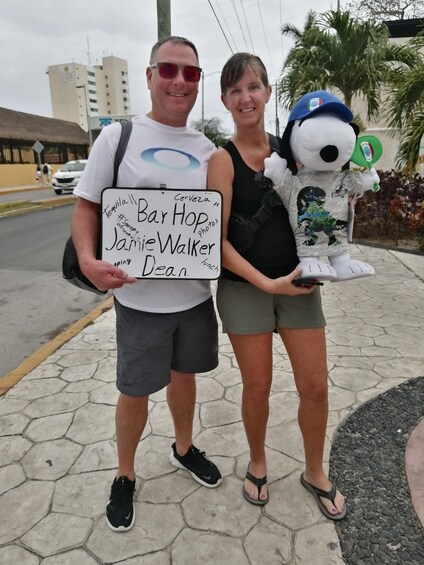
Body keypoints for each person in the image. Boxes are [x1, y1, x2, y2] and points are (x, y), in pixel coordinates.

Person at [71, 36, 222, 533]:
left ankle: (182, 448)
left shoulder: (207, 151)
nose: (180, 81)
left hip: (195, 298)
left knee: (185, 376)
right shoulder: (118, 138)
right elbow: (87, 205)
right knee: (134, 390)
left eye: (192, 73)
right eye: (170, 69)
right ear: (150, 74)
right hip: (137, 300)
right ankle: (125, 474)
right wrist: (90, 262)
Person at [207, 53, 346, 520]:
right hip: (245, 287)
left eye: (253, 86)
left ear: (268, 92)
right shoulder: (220, 161)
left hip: (300, 282)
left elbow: (322, 202)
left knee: (315, 387)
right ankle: (259, 461)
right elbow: (217, 241)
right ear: (225, 100)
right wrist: (269, 284)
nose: (245, 97)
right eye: (234, 90)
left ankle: (314, 470)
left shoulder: (293, 148)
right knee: (257, 387)